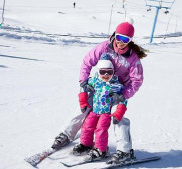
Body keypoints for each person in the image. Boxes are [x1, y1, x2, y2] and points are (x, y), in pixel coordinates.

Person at [51, 20, 146, 163]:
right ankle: (67, 134)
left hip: (117, 92)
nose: (121, 42)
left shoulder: (132, 58)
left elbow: (136, 80)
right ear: (115, 34)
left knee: (118, 117)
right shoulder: (105, 47)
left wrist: (123, 95)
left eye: (125, 39)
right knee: (84, 107)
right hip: (100, 87)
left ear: (130, 41)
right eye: (119, 37)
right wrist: (84, 81)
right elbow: (87, 61)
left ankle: (124, 151)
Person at [72, 54, 128, 161]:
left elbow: (123, 99)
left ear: (113, 72)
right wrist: (83, 100)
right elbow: (83, 86)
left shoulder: (116, 85)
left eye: (109, 72)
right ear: (98, 72)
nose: (106, 75)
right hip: (94, 111)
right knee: (87, 126)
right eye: (103, 72)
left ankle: (101, 150)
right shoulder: (94, 81)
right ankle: (86, 144)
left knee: (101, 130)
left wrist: (119, 111)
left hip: (105, 113)